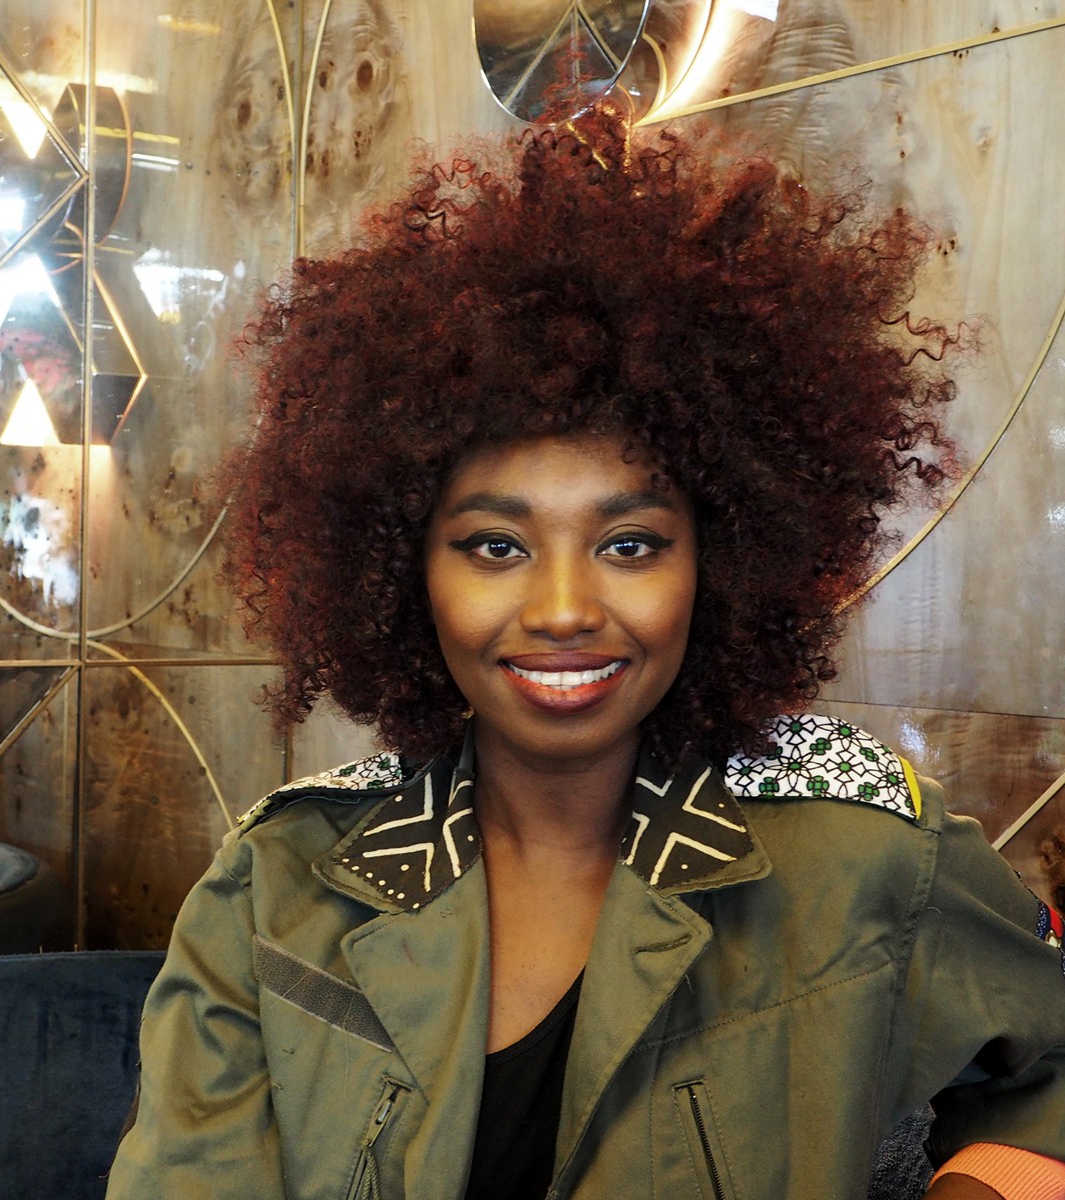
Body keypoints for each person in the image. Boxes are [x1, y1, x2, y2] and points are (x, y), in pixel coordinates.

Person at [107, 107, 1065, 1199]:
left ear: (721, 559)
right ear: (402, 569)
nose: (563, 609)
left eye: (629, 544)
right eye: (495, 546)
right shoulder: (279, 886)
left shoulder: (860, 858)